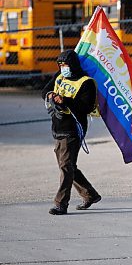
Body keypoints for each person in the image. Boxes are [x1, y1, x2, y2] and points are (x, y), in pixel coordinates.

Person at [42, 50, 101, 215]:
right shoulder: (59, 76)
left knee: (66, 167)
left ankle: (61, 204)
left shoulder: (86, 82)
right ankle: (91, 195)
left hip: (73, 129)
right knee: (69, 166)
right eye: (60, 65)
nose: (62, 68)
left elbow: (87, 107)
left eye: (65, 64)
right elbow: (44, 91)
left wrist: (65, 101)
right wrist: (52, 95)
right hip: (58, 127)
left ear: (73, 65)